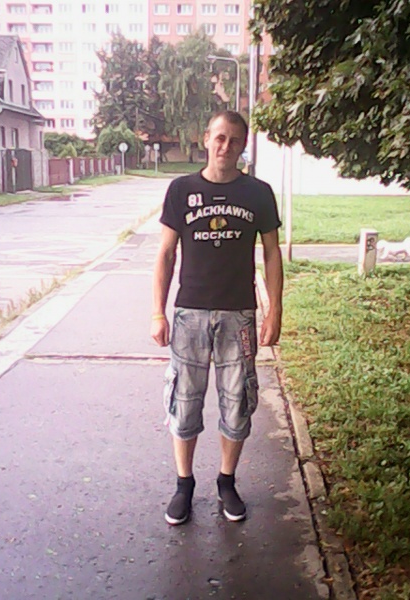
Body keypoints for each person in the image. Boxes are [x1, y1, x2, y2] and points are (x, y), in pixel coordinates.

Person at [151, 110, 283, 526]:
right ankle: (184, 485)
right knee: (184, 401)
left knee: (237, 402)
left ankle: (227, 481)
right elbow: (166, 254)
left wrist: (274, 310)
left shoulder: (258, 193)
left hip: (238, 316)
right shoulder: (181, 190)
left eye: (235, 140)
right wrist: (157, 312)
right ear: (206, 138)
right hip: (189, 315)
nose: (226, 146)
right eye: (220, 137)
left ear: (244, 145)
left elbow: (272, 253)